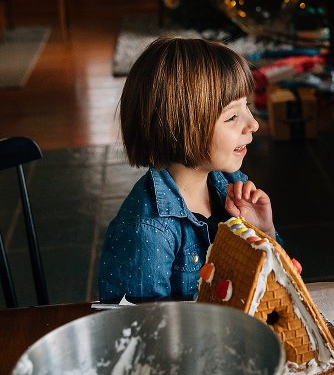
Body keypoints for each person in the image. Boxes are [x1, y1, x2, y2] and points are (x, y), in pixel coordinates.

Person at [99, 37, 275, 302]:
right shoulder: (148, 231)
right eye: (232, 116)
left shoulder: (230, 184)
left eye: (246, 107)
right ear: (180, 128)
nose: (253, 125)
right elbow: (146, 330)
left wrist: (264, 233)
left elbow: (276, 288)